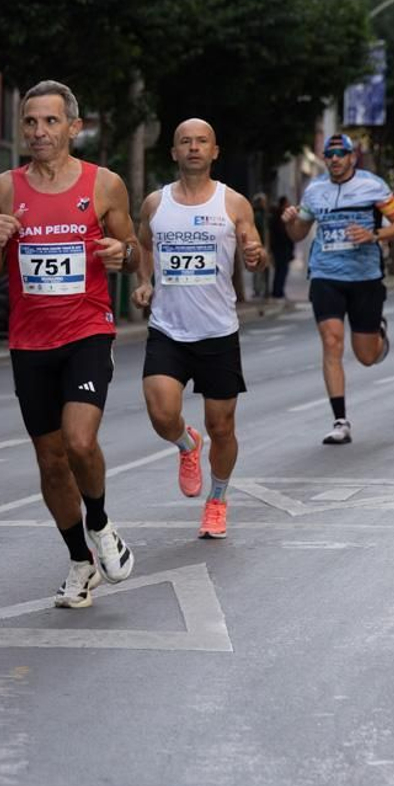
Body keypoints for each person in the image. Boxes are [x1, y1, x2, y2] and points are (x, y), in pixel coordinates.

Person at [0, 80, 136, 608]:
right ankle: (79, 561)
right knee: (49, 462)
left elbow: (132, 249)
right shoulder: (5, 188)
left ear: (73, 126)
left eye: (49, 122)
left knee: (79, 441)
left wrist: (122, 254)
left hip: (87, 329)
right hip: (30, 340)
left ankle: (103, 524)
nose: (39, 132)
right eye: (30, 122)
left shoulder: (104, 184)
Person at [134, 119, 267, 541]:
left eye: (202, 142)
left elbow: (255, 253)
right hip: (168, 329)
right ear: (173, 152)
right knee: (161, 413)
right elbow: (144, 245)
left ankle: (218, 501)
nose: (193, 148)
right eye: (185, 142)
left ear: (215, 151)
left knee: (222, 426)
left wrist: (255, 255)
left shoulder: (234, 204)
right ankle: (187, 445)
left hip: (217, 331)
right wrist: (143, 281)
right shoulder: (155, 204)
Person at [281, 133, 394, 445]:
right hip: (326, 275)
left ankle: (377, 334)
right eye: (330, 154)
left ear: (353, 158)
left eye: (342, 154)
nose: (335, 159)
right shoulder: (315, 190)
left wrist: (374, 234)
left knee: (366, 356)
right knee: (332, 341)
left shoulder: (373, 186)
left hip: (365, 277)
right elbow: (299, 234)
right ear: (325, 159)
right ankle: (340, 420)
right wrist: (290, 221)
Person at [268, 196, 295, 299]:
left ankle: (278, 291)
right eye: (287, 204)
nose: (288, 206)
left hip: (281, 249)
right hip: (281, 249)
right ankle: (278, 292)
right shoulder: (280, 217)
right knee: (281, 271)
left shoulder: (277, 216)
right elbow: (283, 234)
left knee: (280, 271)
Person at [251, 193, 272, 300]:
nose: (265, 204)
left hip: (265, 245)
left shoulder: (265, 215)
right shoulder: (258, 216)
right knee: (259, 269)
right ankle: (259, 290)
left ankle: (265, 290)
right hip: (259, 245)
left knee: (265, 269)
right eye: (263, 202)